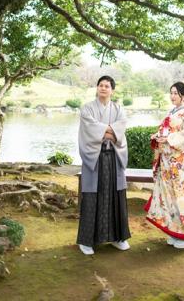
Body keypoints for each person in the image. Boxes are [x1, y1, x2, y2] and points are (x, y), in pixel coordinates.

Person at [145, 81, 184, 249]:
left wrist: (169, 139)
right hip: (167, 163)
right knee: (171, 198)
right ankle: (176, 232)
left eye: (176, 93)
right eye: (171, 93)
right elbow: (164, 131)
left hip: (181, 165)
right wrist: (158, 136)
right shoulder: (171, 112)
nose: (172, 96)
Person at [77, 75, 131, 255]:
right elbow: (90, 131)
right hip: (95, 158)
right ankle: (86, 241)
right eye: (101, 85)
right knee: (93, 197)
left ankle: (118, 238)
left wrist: (103, 130)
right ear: (97, 88)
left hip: (114, 158)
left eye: (107, 86)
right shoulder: (87, 109)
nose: (103, 88)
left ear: (112, 90)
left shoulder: (119, 109)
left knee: (115, 196)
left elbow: (121, 129)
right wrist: (110, 130)